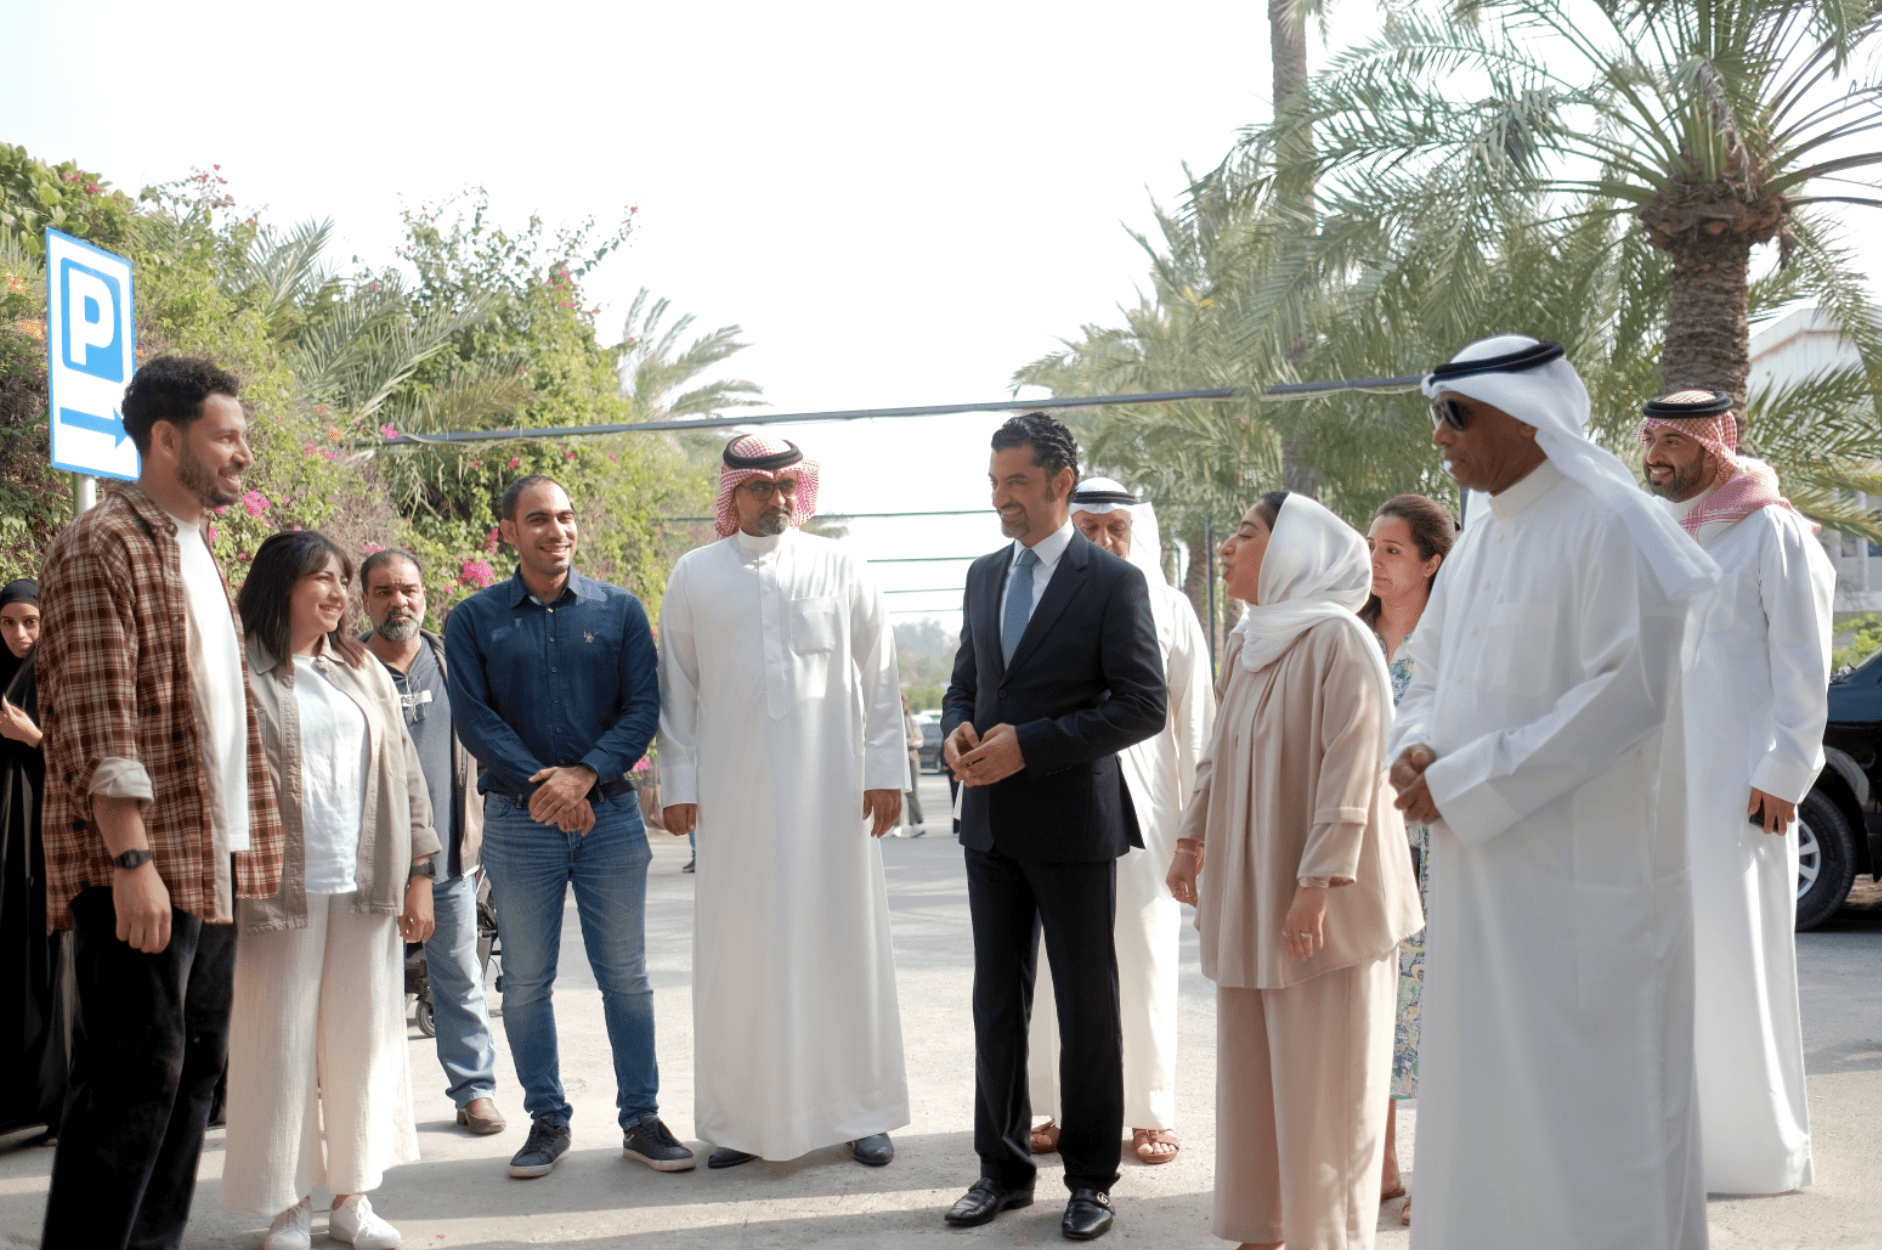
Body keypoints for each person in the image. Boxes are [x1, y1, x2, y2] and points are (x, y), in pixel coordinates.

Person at [1388, 335, 1718, 1250]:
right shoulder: (1489, 535)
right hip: (1485, 881)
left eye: (1458, 415)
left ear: (1527, 418)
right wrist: (1415, 749)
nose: (1442, 437)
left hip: (1587, 896)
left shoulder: (1618, 524)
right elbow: (1426, 671)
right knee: (1486, 1100)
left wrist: (1462, 781)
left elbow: (1629, 698)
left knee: (1596, 1118)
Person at [34, 355, 285, 1250]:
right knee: (134, 1085)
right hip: (142, 866)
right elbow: (100, 720)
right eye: (227, 436)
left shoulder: (196, 551)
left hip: (206, 859)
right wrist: (130, 860)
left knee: (189, 1082)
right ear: (166, 439)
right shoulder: (105, 543)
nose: (242, 455)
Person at [1166, 491, 1422, 1250]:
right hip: (1252, 891)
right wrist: (1191, 841)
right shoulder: (1250, 642)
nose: (1230, 547)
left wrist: (1316, 887)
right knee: (1254, 1079)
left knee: (1326, 1086)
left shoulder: (1340, 641)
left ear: (1291, 553)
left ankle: (1327, 1238)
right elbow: (1216, 754)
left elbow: (1353, 771)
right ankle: (1263, 1229)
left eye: (1246, 534)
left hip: (1327, 903)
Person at [939, 412, 1167, 1242]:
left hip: (1074, 826)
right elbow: (967, 682)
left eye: (1016, 483)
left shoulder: (1112, 584)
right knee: (996, 1003)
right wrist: (957, 730)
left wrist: (1028, 749)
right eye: (995, 482)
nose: (1000, 497)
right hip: (990, 826)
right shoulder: (981, 575)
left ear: (1060, 483)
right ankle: (1000, 1171)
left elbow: (1142, 705)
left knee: (1086, 1005)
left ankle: (1091, 1181)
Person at [658, 432, 910, 1170]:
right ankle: (741, 1122)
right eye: (758, 487)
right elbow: (678, 689)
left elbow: (882, 673)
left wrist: (885, 768)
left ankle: (862, 1111)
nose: (774, 500)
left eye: (783, 486)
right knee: (742, 953)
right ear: (730, 496)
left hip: (835, 797)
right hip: (735, 803)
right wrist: (679, 783)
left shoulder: (840, 565)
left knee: (845, 942)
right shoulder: (695, 574)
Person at [446, 474, 693, 1179]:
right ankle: (547, 1121)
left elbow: (643, 708)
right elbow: (476, 719)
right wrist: (544, 786)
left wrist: (582, 776)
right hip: (519, 825)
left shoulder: (618, 612)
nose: (557, 530)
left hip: (609, 818)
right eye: (538, 520)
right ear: (509, 532)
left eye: (565, 517)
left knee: (627, 978)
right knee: (525, 982)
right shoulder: (474, 619)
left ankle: (641, 1120)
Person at [221, 531, 440, 1250]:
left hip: (365, 883)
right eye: (323, 577)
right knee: (277, 1044)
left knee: (363, 1041)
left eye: (343, 579)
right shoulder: (236, 669)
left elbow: (406, 772)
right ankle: (284, 1207)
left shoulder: (359, 668)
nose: (339, 593)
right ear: (280, 584)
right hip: (276, 889)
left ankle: (352, 1200)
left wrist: (419, 875)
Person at [1640, 388, 1833, 1194]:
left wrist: (1785, 770)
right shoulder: (1658, 531)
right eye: (1648, 439)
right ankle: (1676, 1146)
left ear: (1710, 447)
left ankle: (1754, 1154)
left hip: (1742, 793)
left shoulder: (1771, 531)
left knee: (1737, 961)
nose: (1652, 455)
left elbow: (1803, 659)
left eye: (1668, 444)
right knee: (1667, 964)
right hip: (1659, 792)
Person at [1027, 478, 1214, 1167]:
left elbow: (1197, 728)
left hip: (1149, 814)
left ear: (1138, 534)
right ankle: (1052, 1106)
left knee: (1143, 960)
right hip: (1058, 806)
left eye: (1116, 529)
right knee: (1054, 962)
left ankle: (1148, 1114)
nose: (1103, 542)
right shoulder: (1042, 600)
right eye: (1089, 527)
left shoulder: (1169, 608)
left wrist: (1198, 828)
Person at [361, 548, 506, 1138]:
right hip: (368, 865)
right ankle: (366, 1104)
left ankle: (474, 1092)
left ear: (425, 595)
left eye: (409, 590)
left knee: (459, 978)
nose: (399, 602)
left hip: (449, 857)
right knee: (363, 987)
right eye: (384, 591)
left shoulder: (455, 664)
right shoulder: (345, 668)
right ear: (364, 600)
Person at [1358, 493, 1454, 1224]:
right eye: (1371, 546)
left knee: (1444, 1009)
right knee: (1375, 1004)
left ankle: (1441, 1173)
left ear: (1432, 560)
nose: (1376, 560)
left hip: (1440, 844)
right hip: (1363, 847)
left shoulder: (1456, 645)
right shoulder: (1346, 641)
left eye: (1393, 549)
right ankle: (1379, 1166)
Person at [0, 578, 70, 1137]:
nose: (20, 635)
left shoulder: (63, 675)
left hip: (44, 849)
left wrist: (34, 738)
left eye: (31, 622)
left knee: (45, 967)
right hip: (4, 852)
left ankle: (51, 1097)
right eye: (8, 623)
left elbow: (86, 768)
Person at [899, 696, 926, 836]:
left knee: (912, 792)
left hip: (911, 757)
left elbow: (920, 740)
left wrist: (910, 742)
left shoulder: (911, 720)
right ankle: (896, 824)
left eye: (903, 704)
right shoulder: (891, 721)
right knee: (895, 792)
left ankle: (916, 824)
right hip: (896, 759)